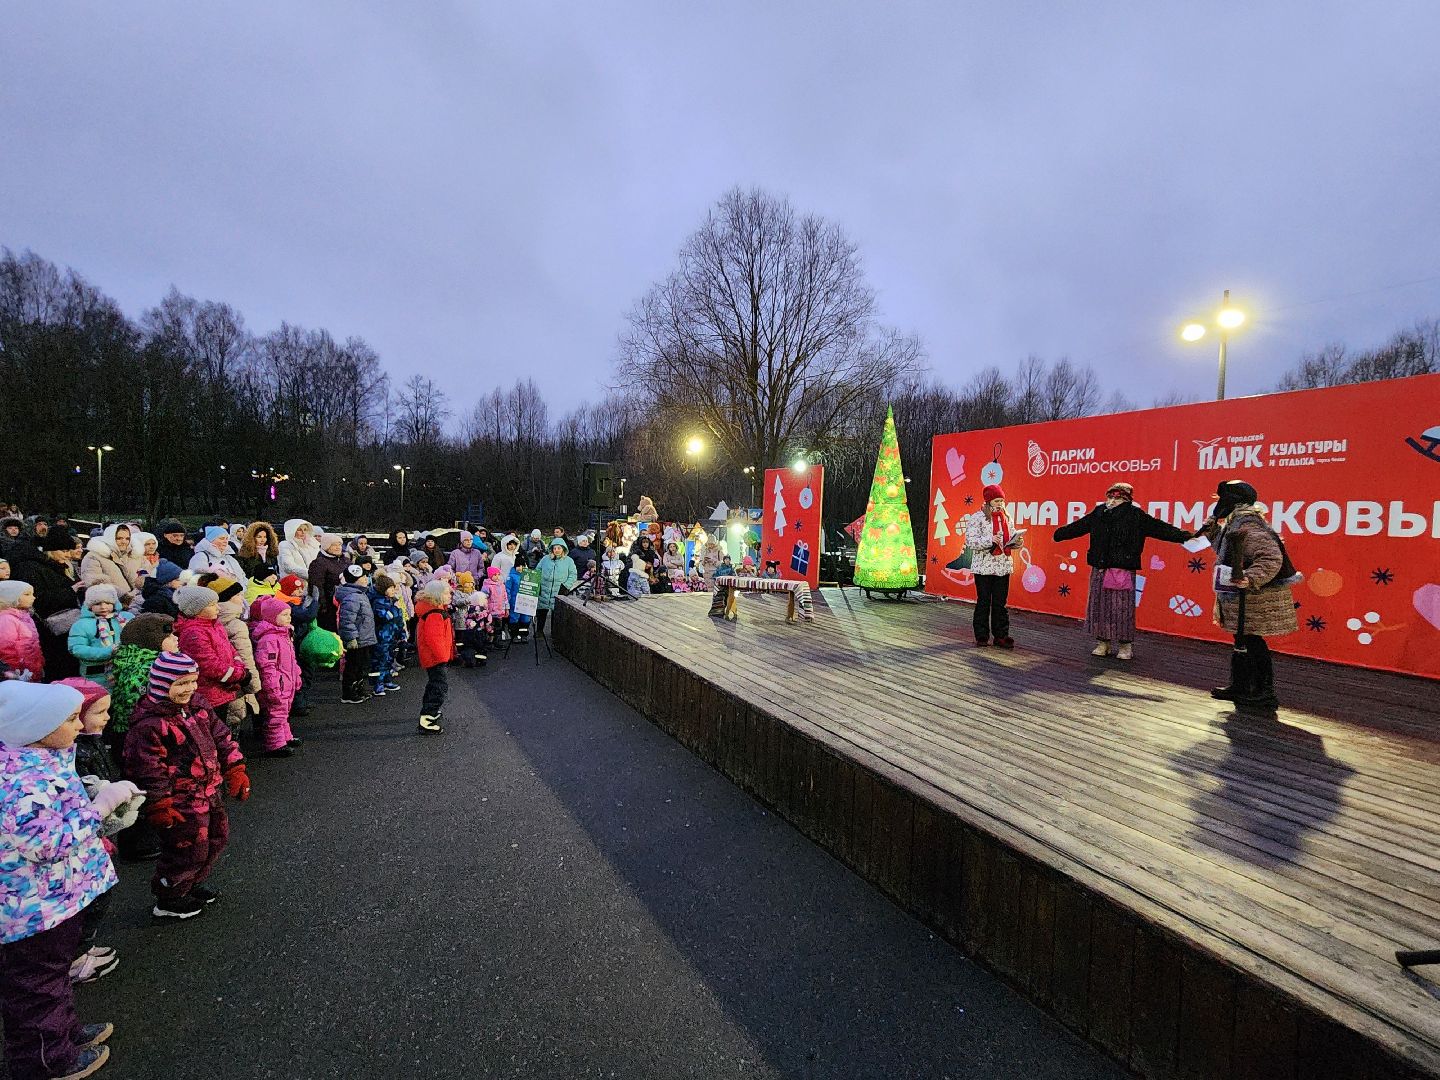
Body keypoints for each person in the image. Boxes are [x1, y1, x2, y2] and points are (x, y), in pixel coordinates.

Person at [0, 680, 118, 1080]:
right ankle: (45, 1062)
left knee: (53, 974)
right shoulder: (18, 782)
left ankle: (63, 1035)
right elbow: (48, 842)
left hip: (54, 896)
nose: (78, 726)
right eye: (69, 720)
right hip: (30, 908)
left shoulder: (43, 758)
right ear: (32, 728)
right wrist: (99, 808)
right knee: (36, 986)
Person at [124, 652, 249, 920]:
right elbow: (147, 769)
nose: (189, 688)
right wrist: (158, 803)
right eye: (181, 683)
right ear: (161, 684)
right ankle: (170, 895)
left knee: (216, 837)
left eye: (192, 682)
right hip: (179, 798)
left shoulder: (198, 707)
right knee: (186, 847)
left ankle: (191, 882)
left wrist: (235, 768)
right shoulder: (150, 725)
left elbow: (221, 737)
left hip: (209, 790)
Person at [1053, 482, 1192, 660]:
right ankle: (1103, 642)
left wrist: (1184, 536)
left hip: (1122, 568)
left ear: (1126, 498)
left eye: (1116, 496)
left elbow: (1160, 528)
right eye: (1110, 495)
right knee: (1099, 607)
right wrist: (1060, 534)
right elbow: (1079, 526)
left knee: (1121, 608)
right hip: (1100, 568)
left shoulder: (1135, 515)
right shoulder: (1099, 513)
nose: (1112, 499)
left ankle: (1125, 646)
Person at [1196, 479, 1299, 708]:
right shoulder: (1238, 523)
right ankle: (1241, 685)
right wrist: (1213, 531)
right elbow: (1229, 551)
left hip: (1254, 599)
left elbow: (1271, 557)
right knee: (1242, 639)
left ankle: (1263, 690)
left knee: (1252, 641)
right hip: (1244, 599)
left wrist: (1250, 578)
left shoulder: (1249, 525)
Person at [10, 529, 84, 679]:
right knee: (58, 669)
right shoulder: (30, 568)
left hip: (62, 628)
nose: (68, 555)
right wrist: (71, 591)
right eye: (64, 551)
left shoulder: (56, 566)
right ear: (51, 549)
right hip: (48, 631)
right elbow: (36, 599)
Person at [962, 484, 1022, 648]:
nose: (1000, 504)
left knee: (1000, 603)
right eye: (997, 500)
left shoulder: (1006, 517)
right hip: (984, 567)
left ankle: (1001, 635)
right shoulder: (977, 518)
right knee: (983, 601)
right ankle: (981, 635)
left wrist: (1016, 542)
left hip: (1002, 566)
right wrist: (990, 541)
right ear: (988, 501)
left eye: (1002, 500)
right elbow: (971, 541)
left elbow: (1010, 536)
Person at [173, 586, 247, 718]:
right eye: (212, 605)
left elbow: (230, 649)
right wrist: (238, 674)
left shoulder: (214, 625)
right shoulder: (194, 633)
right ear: (196, 609)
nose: (218, 608)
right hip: (208, 694)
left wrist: (239, 667)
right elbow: (209, 666)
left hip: (222, 689)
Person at [248, 596, 301, 757]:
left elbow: (291, 660)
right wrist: (273, 686)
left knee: (284, 711)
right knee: (276, 713)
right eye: (284, 615)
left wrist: (297, 676)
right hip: (278, 683)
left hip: (287, 681)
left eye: (289, 614)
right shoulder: (269, 638)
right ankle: (275, 744)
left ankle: (286, 737)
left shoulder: (284, 634)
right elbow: (266, 665)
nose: (289, 618)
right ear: (272, 616)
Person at [67, 585, 134, 686]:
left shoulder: (125, 619)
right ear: (89, 605)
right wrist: (107, 652)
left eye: (107, 603)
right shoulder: (81, 625)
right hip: (96, 675)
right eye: (97, 603)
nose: (103, 607)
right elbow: (76, 648)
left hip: (125, 671)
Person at [414, 579, 455, 734]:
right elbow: (434, 638)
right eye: (446, 592)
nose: (450, 594)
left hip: (433, 657)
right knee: (439, 686)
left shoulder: (433, 610)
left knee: (434, 684)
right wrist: (443, 656)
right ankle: (427, 718)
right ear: (438, 595)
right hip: (435, 658)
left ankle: (430, 711)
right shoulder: (435, 614)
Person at [336, 565, 377, 704]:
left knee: (362, 665)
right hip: (358, 638)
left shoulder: (361, 594)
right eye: (363, 577)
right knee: (353, 665)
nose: (366, 579)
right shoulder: (352, 597)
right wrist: (351, 638)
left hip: (364, 637)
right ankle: (348, 692)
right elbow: (347, 620)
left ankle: (359, 688)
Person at [80, 525, 143, 609]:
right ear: (110, 538)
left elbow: (144, 574)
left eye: (127, 538)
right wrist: (125, 597)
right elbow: (95, 583)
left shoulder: (133, 555)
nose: (124, 541)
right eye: (119, 538)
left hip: (138, 602)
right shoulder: (93, 556)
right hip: (110, 606)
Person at [0, 581, 45, 682]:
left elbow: (34, 645)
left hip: (31, 672)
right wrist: (15, 672)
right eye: (27, 594)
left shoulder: (25, 616)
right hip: (18, 674)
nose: (33, 597)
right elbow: (6, 650)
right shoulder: (6, 619)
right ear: (11, 597)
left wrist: (39, 665)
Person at [368, 574, 405, 695]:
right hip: (381, 635)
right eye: (391, 588)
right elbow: (385, 616)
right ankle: (378, 684)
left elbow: (398, 619)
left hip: (391, 635)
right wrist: (393, 610)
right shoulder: (378, 602)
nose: (394, 590)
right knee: (380, 660)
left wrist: (401, 632)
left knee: (389, 658)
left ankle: (387, 680)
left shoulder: (392, 602)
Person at [308, 533, 349, 633]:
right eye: (334, 545)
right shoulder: (319, 563)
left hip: (346, 604)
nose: (338, 547)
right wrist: (323, 606)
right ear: (326, 546)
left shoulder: (346, 561)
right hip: (329, 606)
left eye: (339, 544)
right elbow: (316, 586)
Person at [482, 566, 510, 643]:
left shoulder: (502, 585)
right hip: (490, 612)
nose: (497, 576)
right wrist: (485, 610)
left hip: (500, 611)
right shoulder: (487, 586)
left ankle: (497, 641)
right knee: (490, 628)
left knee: (498, 628)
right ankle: (490, 642)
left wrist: (506, 608)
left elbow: (505, 598)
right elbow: (483, 598)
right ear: (490, 575)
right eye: (495, 575)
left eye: (498, 574)